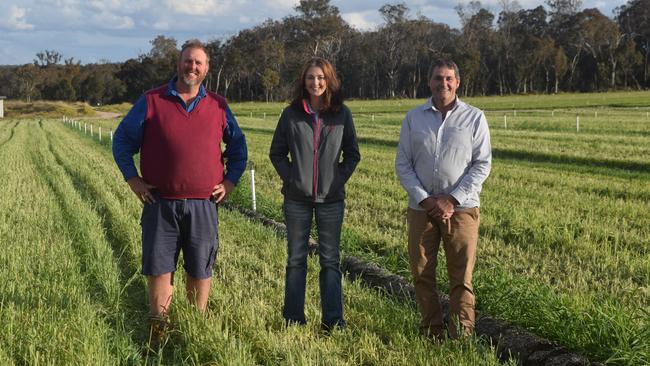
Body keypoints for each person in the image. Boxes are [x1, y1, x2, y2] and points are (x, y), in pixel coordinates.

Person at [112, 39, 247, 342]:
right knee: (159, 268)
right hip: (161, 202)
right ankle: (158, 329)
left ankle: (194, 329)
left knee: (200, 269)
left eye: (199, 63)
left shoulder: (218, 105)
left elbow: (238, 146)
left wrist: (230, 181)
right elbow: (121, 142)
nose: (192, 67)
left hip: (203, 204)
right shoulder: (151, 100)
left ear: (207, 69)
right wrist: (133, 180)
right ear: (178, 64)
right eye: (188, 61)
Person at [395, 59, 491, 339]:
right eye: (438, 78)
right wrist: (426, 200)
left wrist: (452, 199)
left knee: (461, 277)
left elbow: (482, 164)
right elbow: (403, 163)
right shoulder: (414, 118)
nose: (443, 83)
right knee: (422, 273)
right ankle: (431, 330)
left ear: (458, 82)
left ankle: (462, 334)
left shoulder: (474, 117)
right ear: (429, 82)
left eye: (449, 78)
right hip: (420, 210)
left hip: (461, 211)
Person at [269, 57, 360, 330]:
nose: (316, 82)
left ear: (329, 80)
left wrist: (336, 180)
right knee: (296, 259)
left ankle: (333, 321)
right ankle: (293, 319)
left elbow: (353, 154)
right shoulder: (290, 114)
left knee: (330, 260)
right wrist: (293, 179)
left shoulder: (342, 114)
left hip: (331, 201)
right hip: (296, 200)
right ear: (303, 81)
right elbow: (276, 153)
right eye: (311, 77)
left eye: (321, 77)